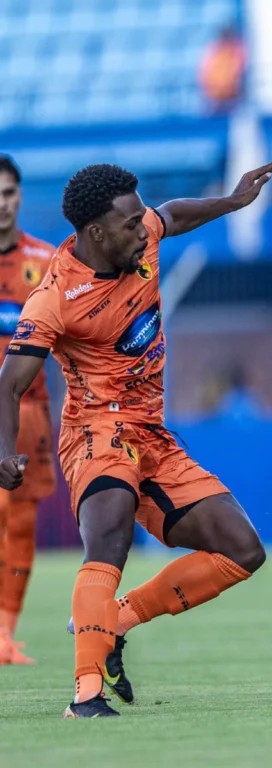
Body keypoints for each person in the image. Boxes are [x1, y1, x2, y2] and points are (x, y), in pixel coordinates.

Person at [0, 159, 272, 718]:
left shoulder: (140, 232)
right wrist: (4, 451)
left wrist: (232, 201)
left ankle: (117, 619)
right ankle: (84, 694)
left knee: (244, 550)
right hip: (95, 433)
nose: (144, 227)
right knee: (108, 540)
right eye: (131, 223)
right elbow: (9, 385)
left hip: (152, 433)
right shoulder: (54, 298)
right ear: (96, 233)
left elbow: (171, 215)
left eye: (140, 218)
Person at [0, 155, 58, 665]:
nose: (2, 204)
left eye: (9, 193)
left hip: (29, 410)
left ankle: (5, 637)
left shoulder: (44, 259)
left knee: (20, 522)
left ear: (19, 196)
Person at [198, 24, 247, 114]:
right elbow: (204, 73)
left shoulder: (236, 50)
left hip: (231, 96)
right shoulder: (213, 50)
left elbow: (238, 70)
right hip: (215, 96)